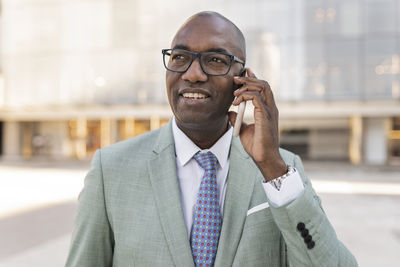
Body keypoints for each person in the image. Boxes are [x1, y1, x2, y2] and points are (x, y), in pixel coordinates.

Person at [66, 11, 357, 267]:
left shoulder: (282, 171)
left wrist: (271, 167)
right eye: (180, 57)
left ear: (243, 79)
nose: (192, 75)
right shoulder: (111, 169)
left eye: (214, 60)